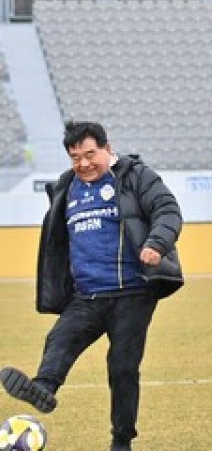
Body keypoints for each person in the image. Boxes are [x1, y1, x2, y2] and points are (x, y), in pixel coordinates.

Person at [1, 121, 184, 451]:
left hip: (133, 291)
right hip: (86, 294)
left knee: (123, 367)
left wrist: (156, 243)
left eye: (90, 154)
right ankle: (43, 388)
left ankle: (121, 441)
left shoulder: (135, 176)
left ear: (106, 148)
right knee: (60, 338)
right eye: (75, 157)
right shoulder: (65, 187)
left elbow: (167, 210)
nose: (84, 164)